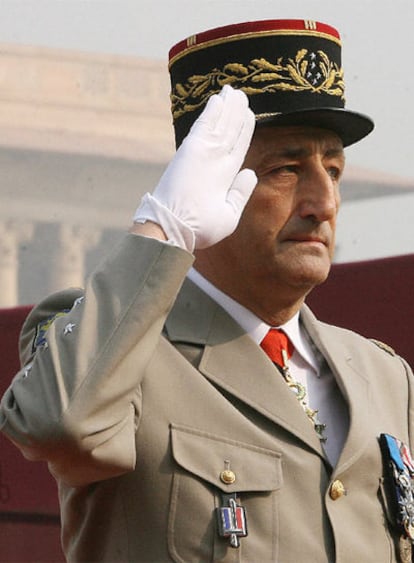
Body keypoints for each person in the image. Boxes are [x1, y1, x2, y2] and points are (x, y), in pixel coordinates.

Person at [1, 19, 413, 563]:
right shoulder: (119, 352)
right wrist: (164, 228)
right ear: (207, 183)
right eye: (287, 169)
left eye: (333, 170)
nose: (324, 202)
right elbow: (58, 424)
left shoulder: (383, 376)